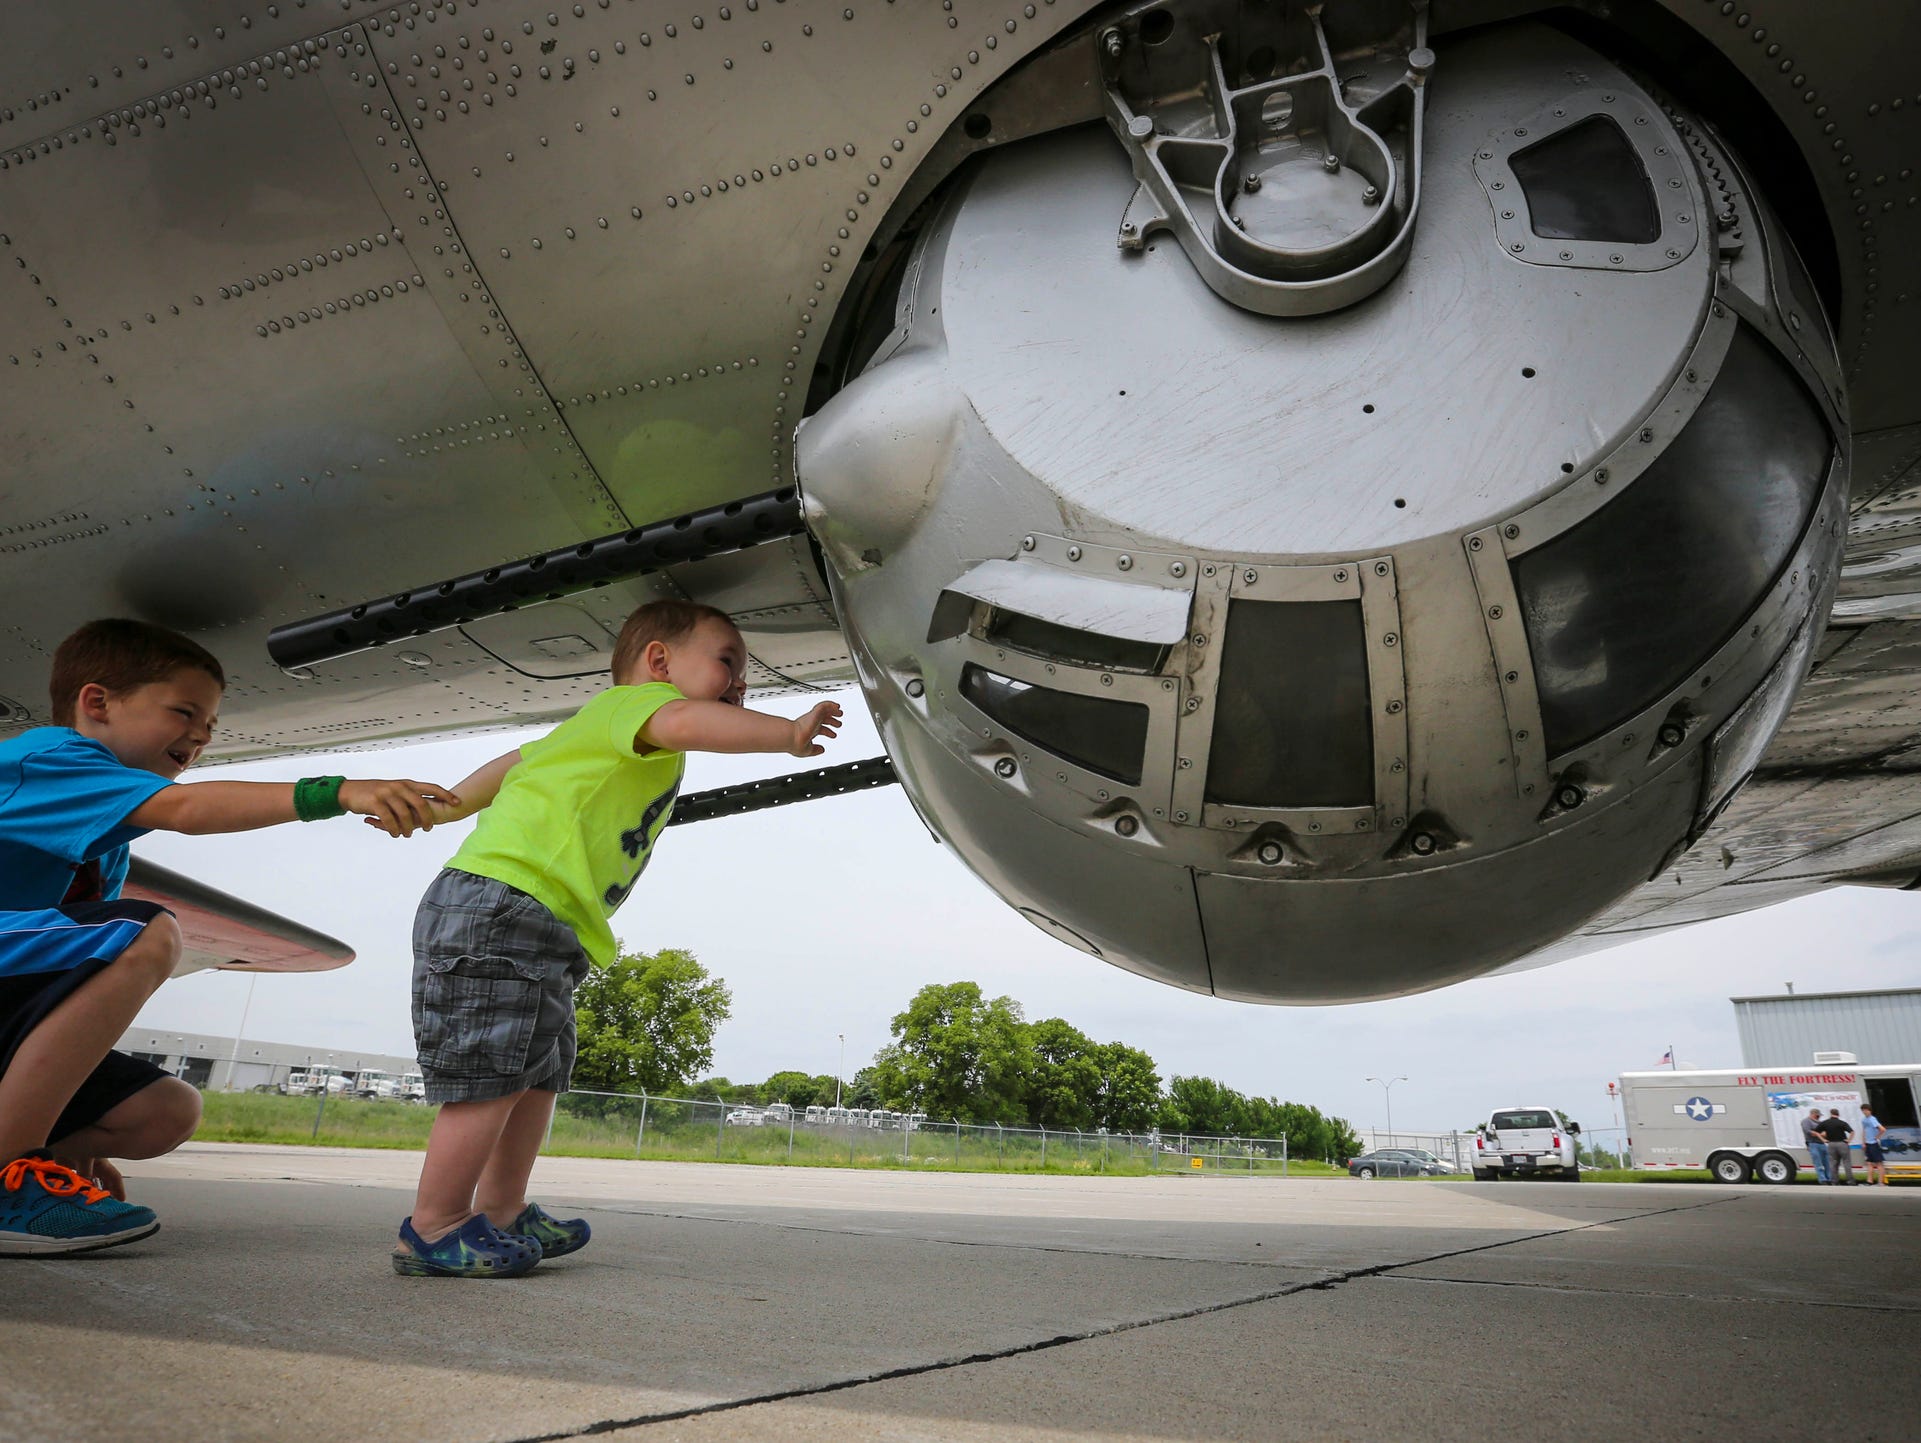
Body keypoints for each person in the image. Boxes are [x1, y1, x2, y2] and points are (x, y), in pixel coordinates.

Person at [389, 600, 841, 1278]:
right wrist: (786, 733)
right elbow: (686, 720)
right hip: (505, 906)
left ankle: (503, 1208)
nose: (740, 684)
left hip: (542, 921)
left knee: (535, 1072)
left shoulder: (595, 728)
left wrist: (446, 805)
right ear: (659, 662)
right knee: (491, 1073)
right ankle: (435, 1225)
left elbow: (517, 761)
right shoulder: (640, 707)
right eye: (728, 663)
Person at [0, 619, 457, 1256]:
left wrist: (60, 1138)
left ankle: (37, 1158)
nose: (201, 736)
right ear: (96, 703)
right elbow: (186, 809)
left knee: (167, 1111)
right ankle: (7, 1175)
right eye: (184, 712)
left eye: (211, 725)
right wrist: (338, 792)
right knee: (145, 931)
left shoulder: (105, 839)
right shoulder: (45, 759)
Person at [1817, 1107, 1855, 1185]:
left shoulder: (1825, 1123)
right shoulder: (1842, 1123)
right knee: (1846, 1163)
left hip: (1831, 1144)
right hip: (1842, 1144)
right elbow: (1852, 1132)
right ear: (1838, 1114)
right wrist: (1849, 1140)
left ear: (1830, 1114)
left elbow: (1816, 1132)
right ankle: (1850, 1181)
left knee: (1833, 1164)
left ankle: (1835, 1181)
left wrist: (1823, 1139)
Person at [1859, 1104, 1890, 1187]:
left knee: (1879, 1163)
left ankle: (1881, 1182)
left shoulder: (1872, 1119)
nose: (1864, 1112)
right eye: (1863, 1110)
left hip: (1873, 1143)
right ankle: (1869, 1181)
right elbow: (1864, 1131)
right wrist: (1863, 1142)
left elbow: (1882, 1129)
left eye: (1866, 1110)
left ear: (1869, 1110)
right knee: (1869, 1163)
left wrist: (1877, 1137)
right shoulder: (1864, 1120)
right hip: (1868, 1143)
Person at [1800, 1106, 1832, 1184]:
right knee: (1818, 1163)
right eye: (1818, 1115)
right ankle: (1822, 1179)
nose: (1819, 1117)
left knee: (1827, 1162)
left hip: (1822, 1144)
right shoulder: (1806, 1121)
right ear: (1813, 1114)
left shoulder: (1820, 1123)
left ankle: (1829, 1178)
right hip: (1813, 1144)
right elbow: (1808, 1132)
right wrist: (1820, 1134)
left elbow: (1826, 1132)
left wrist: (1819, 1134)